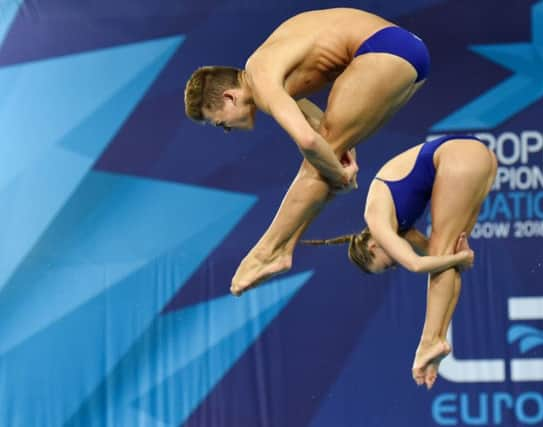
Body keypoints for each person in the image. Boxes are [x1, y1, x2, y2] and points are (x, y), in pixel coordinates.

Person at [183, 8, 430, 295]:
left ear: (229, 97)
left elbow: (309, 142)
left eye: (219, 122)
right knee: (326, 161)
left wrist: (337, 174)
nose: (225, 129)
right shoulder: (269, 70)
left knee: (318, 163)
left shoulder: (260, 77)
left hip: (384, 51)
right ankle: (284, 249)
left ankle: (265, 252)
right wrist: (337, 159)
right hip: (409, 55)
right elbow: (314, 123)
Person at [303, 136, 497, 389]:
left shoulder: (376, 220)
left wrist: (459, 258)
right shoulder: (400, 228)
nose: (394, 265)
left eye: (386, 264)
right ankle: (437, 339)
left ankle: (427, 342)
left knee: (444, 255)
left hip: (459, 157)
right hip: (480, 159)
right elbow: (439, 259)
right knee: (445, 257)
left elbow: (417, 264)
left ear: (373, 246)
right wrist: (458, 259)